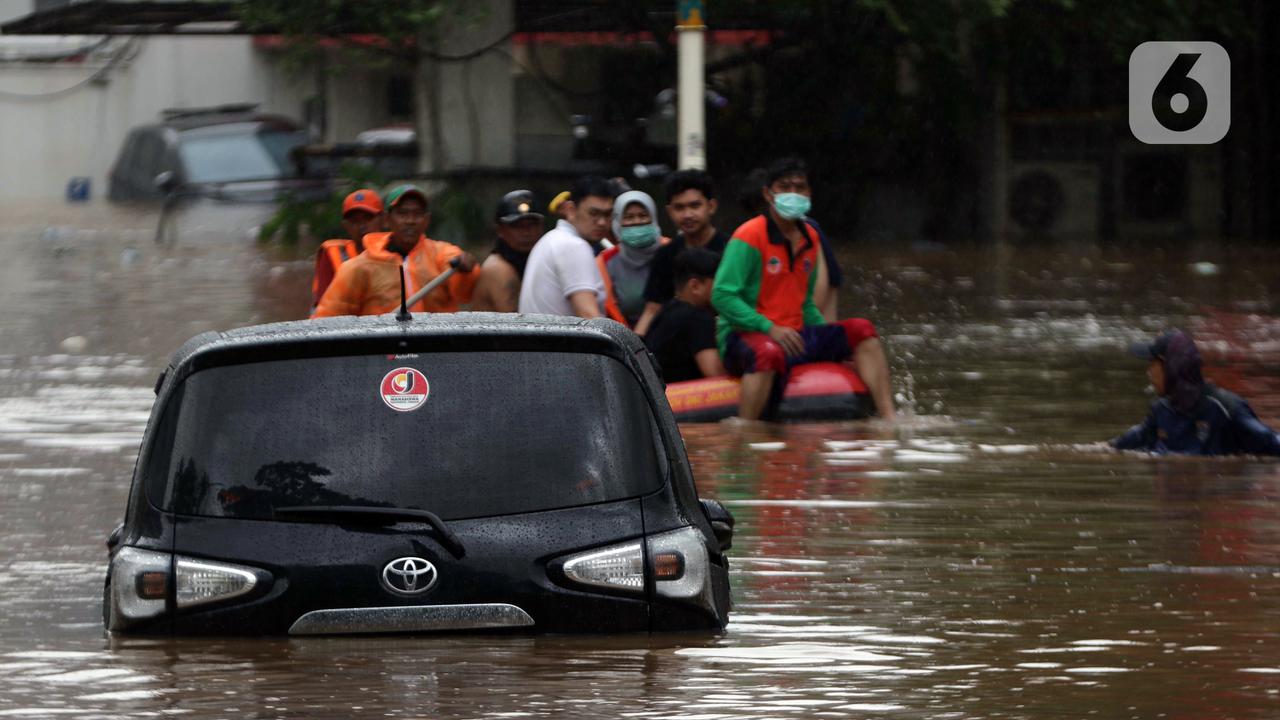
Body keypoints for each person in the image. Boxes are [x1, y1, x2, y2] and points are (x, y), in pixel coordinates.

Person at [712, 157, 896, 421]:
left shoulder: (810, 238)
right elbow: (722, 295)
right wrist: (769, 328)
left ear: (809, 193)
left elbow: (805, 302)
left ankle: (888, 418)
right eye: (785, 187)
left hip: (795, 335)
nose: (794, 194)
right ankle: (747, 426)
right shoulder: (749, 235)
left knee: (862, 330)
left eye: (800, 188)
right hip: (745, 336)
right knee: (768, 352)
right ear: (768, 193)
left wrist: (829, 345)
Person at [313, 185, 479, 317]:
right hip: (384, 354)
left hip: (434, 352)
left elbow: (464, 293)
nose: (410, 221)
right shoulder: (359, 266)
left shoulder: (442, 253)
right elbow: (326, 319)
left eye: (417, 214)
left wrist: (466, 272)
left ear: (427, 220)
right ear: (387, 219)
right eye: (402, 213)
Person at [1112, 330, 1280, 455]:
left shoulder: (1226, 408)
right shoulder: (1160, 412)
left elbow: (1271, 442)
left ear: (1169, 367)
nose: (1148, 372)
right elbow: (1116, 446)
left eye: (1152, 364)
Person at [632, 170, 730, 337]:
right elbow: (652, 309)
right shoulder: (665, 254)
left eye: (695, 205)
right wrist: (633, 350)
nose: (687, 215)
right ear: (669, 211)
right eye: (679, 207)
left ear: (711, 206)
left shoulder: (732, 250)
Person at [518, 175, 614, 319]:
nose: (601, 222)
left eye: (607, 214)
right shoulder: (573, 246)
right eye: (593, 213)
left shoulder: (551, 239)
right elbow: (589, 318)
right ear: (571, 209)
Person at [643, 248, 725, 383]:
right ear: (695, 286)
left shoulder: (667, 311)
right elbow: (714, 373)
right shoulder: (698, 319)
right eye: (720, 283)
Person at [598, 190, 666, 327]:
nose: (636, 222)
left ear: (654, 217)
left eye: (643, 215)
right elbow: (608, 306)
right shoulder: (605, 260)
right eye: (628, 217)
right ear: (617, 222)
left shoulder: (671, 250)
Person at [471, 190, 544, 312]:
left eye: (532, 224)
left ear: (542, 226)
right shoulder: (497, 269)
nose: (526, 232)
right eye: (516, 226)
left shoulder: (537, 259)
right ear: (500, 230)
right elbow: (518, 327)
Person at [311, 189, 384, 311]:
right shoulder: (332, 254)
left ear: (383, 220)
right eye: (355, 221)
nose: (362, 226)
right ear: (346, 226)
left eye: (368, 218)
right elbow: (322, 306)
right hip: (346, 326)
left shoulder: (396, 252)